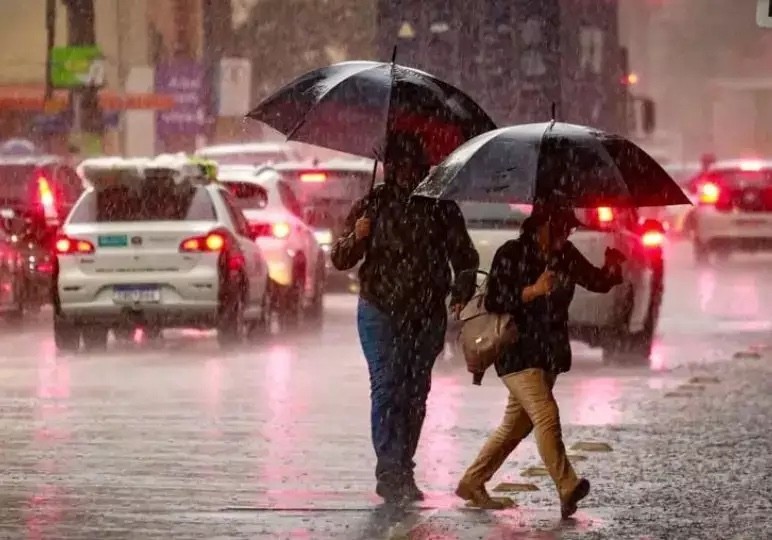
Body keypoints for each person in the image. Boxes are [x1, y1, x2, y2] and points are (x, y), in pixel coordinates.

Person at [331, 134, 479, 503]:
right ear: (388, 166)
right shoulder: (373, 204)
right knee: (387, 385)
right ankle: (389, 468)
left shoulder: (441, 207)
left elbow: (465, 257)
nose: (405, 173)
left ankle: (403, 466)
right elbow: (340, 258)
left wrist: (460, 292)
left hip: (426, 315)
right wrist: (357, 236)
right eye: (398, 165)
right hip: (379, 310)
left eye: (412, 165)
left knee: (415, 393)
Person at [455, 197, 624, 518]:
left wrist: (612, 268)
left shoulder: (564, 255)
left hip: (548, 352)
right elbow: (495, 299)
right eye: (563, 228)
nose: (567, 235)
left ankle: (472, 482)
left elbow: (597, 282)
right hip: (516, 352)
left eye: (570, 229)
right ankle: (567, 485)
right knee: (546, 415)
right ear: (544, 226)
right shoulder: (511, 253)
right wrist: (531, 290)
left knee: (515, 427)